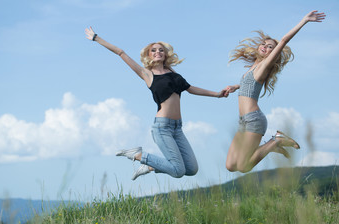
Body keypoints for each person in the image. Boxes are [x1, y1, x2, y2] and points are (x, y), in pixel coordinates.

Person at [85, 27, 232, 180]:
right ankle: (137, 155)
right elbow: (120, 52)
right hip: (162, 128)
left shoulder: (173, 73)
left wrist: (217, 95)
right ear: (149, 55)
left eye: (161, 50)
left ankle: (150, 166)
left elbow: (191, 88)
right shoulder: (147, 74)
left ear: (165, 54)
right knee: (178, 171)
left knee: (191, 169)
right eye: (153, 50)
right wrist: (96, 38)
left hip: (177, 128)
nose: (157, 52)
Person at [225, 10, 326, 173]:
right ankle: (273, 144)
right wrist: (235, 87)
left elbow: (284, 41)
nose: (265, 47)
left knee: (243, 166)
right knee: (230, 166)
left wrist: (304, 21)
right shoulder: (252, 67)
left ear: (274, 53)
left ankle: (275, 142)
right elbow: (250, 86)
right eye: (264, 44)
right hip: (243, 121)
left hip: (254, 120)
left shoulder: (265, 65)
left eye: (270, 47)